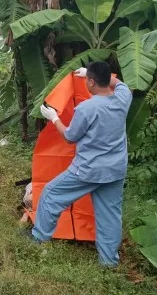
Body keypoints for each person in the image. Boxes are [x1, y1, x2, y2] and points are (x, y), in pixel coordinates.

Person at [31, 62, 132, 268]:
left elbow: (70, 136)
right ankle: (109, 262)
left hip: (88, 170)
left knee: (51, 194)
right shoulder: (123, 99)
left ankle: (38, 239)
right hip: (115, 170)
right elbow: (121, 84)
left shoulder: (86, 108)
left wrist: (54, 118)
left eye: (88, 79)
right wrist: (94, 73)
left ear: (92, 82)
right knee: (110, 215)